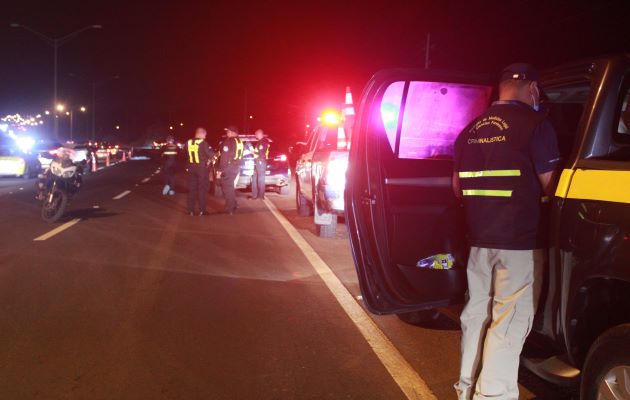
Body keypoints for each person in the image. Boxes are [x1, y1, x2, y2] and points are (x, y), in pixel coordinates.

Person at [452, 63, 560, 400]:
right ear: (532, 89)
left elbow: (458, 188)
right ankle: (493, 396)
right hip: (519, 244)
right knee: (508, 323)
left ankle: (466, 389)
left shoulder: (468, 130)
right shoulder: (536, 124)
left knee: (476, 318)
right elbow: (552, 185)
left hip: (479, 242)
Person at [185, 127, 213, 216]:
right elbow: (210, 154)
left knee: (192, 189)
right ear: (201, 134)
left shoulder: (188, 142)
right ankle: (202, 210)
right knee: (202, 189)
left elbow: (184, 154)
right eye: (205, 135)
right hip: (202, 169)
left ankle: (190, 211)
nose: (205, 137)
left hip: (191, 167)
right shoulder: (203, 143)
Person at [217, 126, 244, 214]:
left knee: (227, 188)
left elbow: (224, 157)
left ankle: (230, 208)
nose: (227, 133)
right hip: (236, 166)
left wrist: (219, 170)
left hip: (229, 167)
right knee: (230, 187)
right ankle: (233, 204)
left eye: (228, 131)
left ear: (233, 132)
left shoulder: (228, 142)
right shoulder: (239, 141)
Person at [249, 129, 270, 200]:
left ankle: (260, 196)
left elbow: (261, 154)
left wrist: (253, 153)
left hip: (261, 162)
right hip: (258, 162)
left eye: (256, 134)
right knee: (255, 178)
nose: (255, 136)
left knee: (260, 179)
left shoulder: (263, 142)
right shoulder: (260, 142)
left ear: (259, 134)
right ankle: (255, 195)